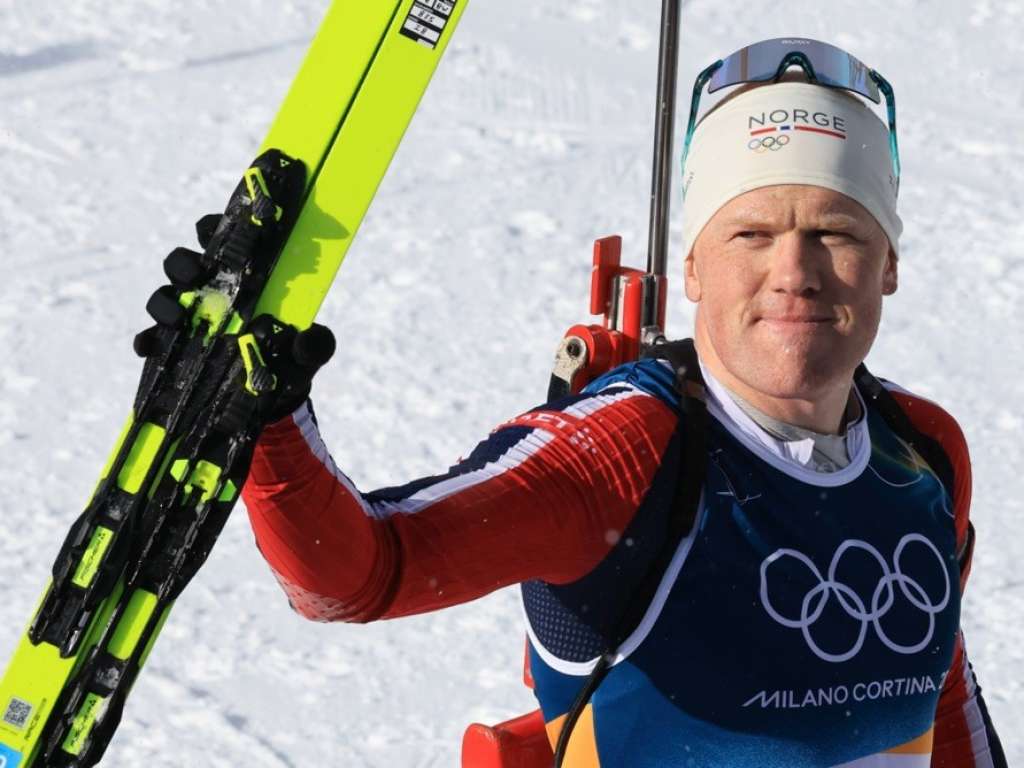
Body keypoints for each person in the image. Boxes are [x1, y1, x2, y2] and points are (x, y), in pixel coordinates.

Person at [239, 38, 1006, 766]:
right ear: (695, 267)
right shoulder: (627, 452)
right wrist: (265, 417)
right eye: (751, 234)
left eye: (835, 233)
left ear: (889, 263)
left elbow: (941, 698)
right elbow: (359, 572)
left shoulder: (922, 449)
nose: (793, 272)